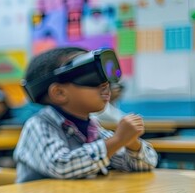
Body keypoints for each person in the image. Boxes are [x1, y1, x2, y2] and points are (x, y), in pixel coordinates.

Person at [14, 47, 157, 183]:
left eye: (106, 79)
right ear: (59, 93)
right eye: (92, 77)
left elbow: (145, 165)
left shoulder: (92, 128)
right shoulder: (39, 125)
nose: (105, 85)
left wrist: (131, 142)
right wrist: (118, 140)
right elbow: (62, 166)